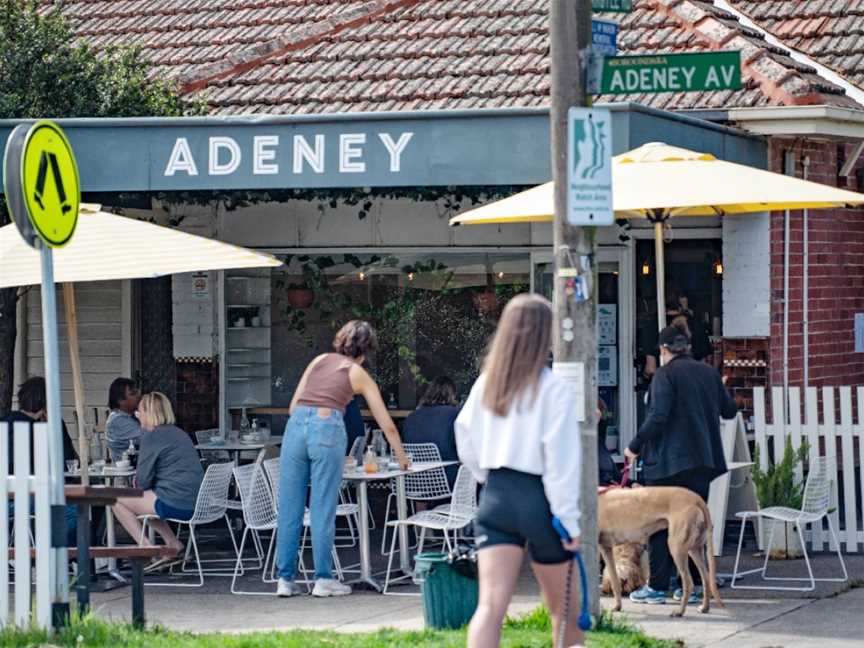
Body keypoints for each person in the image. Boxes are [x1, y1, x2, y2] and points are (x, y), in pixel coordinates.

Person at [455, 294, 583, 648]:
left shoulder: (486, 384)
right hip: (538, 497)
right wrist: (569, 521)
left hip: (496, 495)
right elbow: (561, 462)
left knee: (490, 607)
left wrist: (486, 476)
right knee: (563, 611)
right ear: (546, 335)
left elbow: (463, 435)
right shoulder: (554, 388)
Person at [275, 320, 411, 598]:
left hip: (296, 428)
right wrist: (402, 457)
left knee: (290, 507)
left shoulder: (319, 360)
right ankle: (323, 579)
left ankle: (285, 580)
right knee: (322, 506)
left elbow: (293, 407)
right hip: (327, 427)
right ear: (366, 350)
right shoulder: (357, 373)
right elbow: (387, 425)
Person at [625, 325, 736, 606]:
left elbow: (659, 416)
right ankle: (696, 585)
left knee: (661, 523)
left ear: (663, 350)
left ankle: (659, 586)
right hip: (704, 460)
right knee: (694, 525)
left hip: (668, 464)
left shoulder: (665, 375)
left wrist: (634, 446)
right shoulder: (709, 373)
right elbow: (730, 410)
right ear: (686, 347)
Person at [112, 392, 203, 557]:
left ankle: (146, 548)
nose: (137, 416)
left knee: (115, 499)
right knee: (147, 500)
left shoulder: (152, 435)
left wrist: (137, 480)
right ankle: (173, 544)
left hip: (177, 502)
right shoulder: (179, 433)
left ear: (148, 413)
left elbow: (143, 482)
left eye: (139, 412)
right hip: (197, 501)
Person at [1, 377, 78, 544]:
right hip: (26, 498)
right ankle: (59, 559)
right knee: (76, 510)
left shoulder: (4, 422)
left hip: (6, 498)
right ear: (47, 402)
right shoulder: (42, 429)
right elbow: (69, 461)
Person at [403, 376, 460, 487]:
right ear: (452, 395)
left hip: (413, 480)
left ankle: (420, 503)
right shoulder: (454, 414)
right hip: (446, 480)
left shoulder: (412, 416)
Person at [106, 378, 142, 461]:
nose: (138, 395)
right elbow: (150, 437)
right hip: (125, 471)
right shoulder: (118, 420)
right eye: (133, 393)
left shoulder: (130, 416)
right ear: (120, 400)